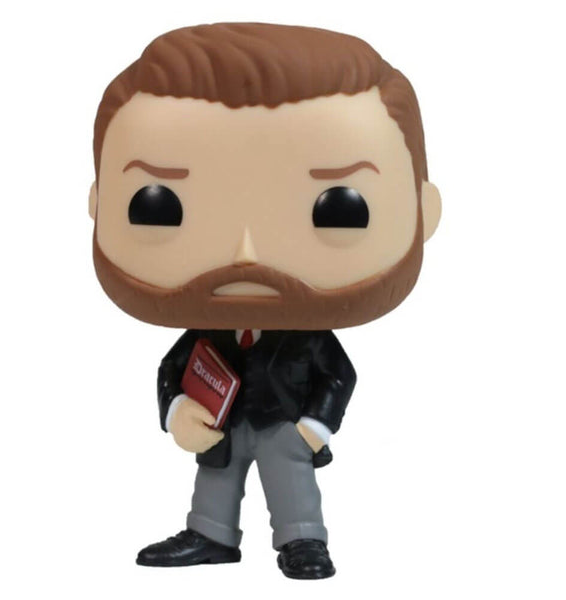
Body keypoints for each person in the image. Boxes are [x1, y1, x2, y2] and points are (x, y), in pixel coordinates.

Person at [90, 22, 441, 579]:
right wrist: (178, 411)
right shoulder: (206, 334)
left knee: (289, 476)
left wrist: (316, 427)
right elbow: (172, 370)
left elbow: (338, 374)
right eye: (157, 205)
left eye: (340, 207)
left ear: (425, 212)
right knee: (215, 473)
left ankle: (302, 539)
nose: (245, 254)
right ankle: (210, 532)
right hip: (221, 419)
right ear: (98, 204)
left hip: (285, 423)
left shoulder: (308, 338)